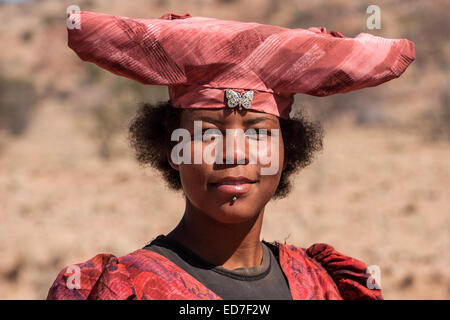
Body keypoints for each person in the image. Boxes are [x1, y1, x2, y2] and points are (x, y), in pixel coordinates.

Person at [47, 10, 415, 300]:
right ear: (173, 148)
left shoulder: (324, 286)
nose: (233, 152)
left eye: (258, 131)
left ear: (287, 150)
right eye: (207, 132)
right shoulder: (121, 289)